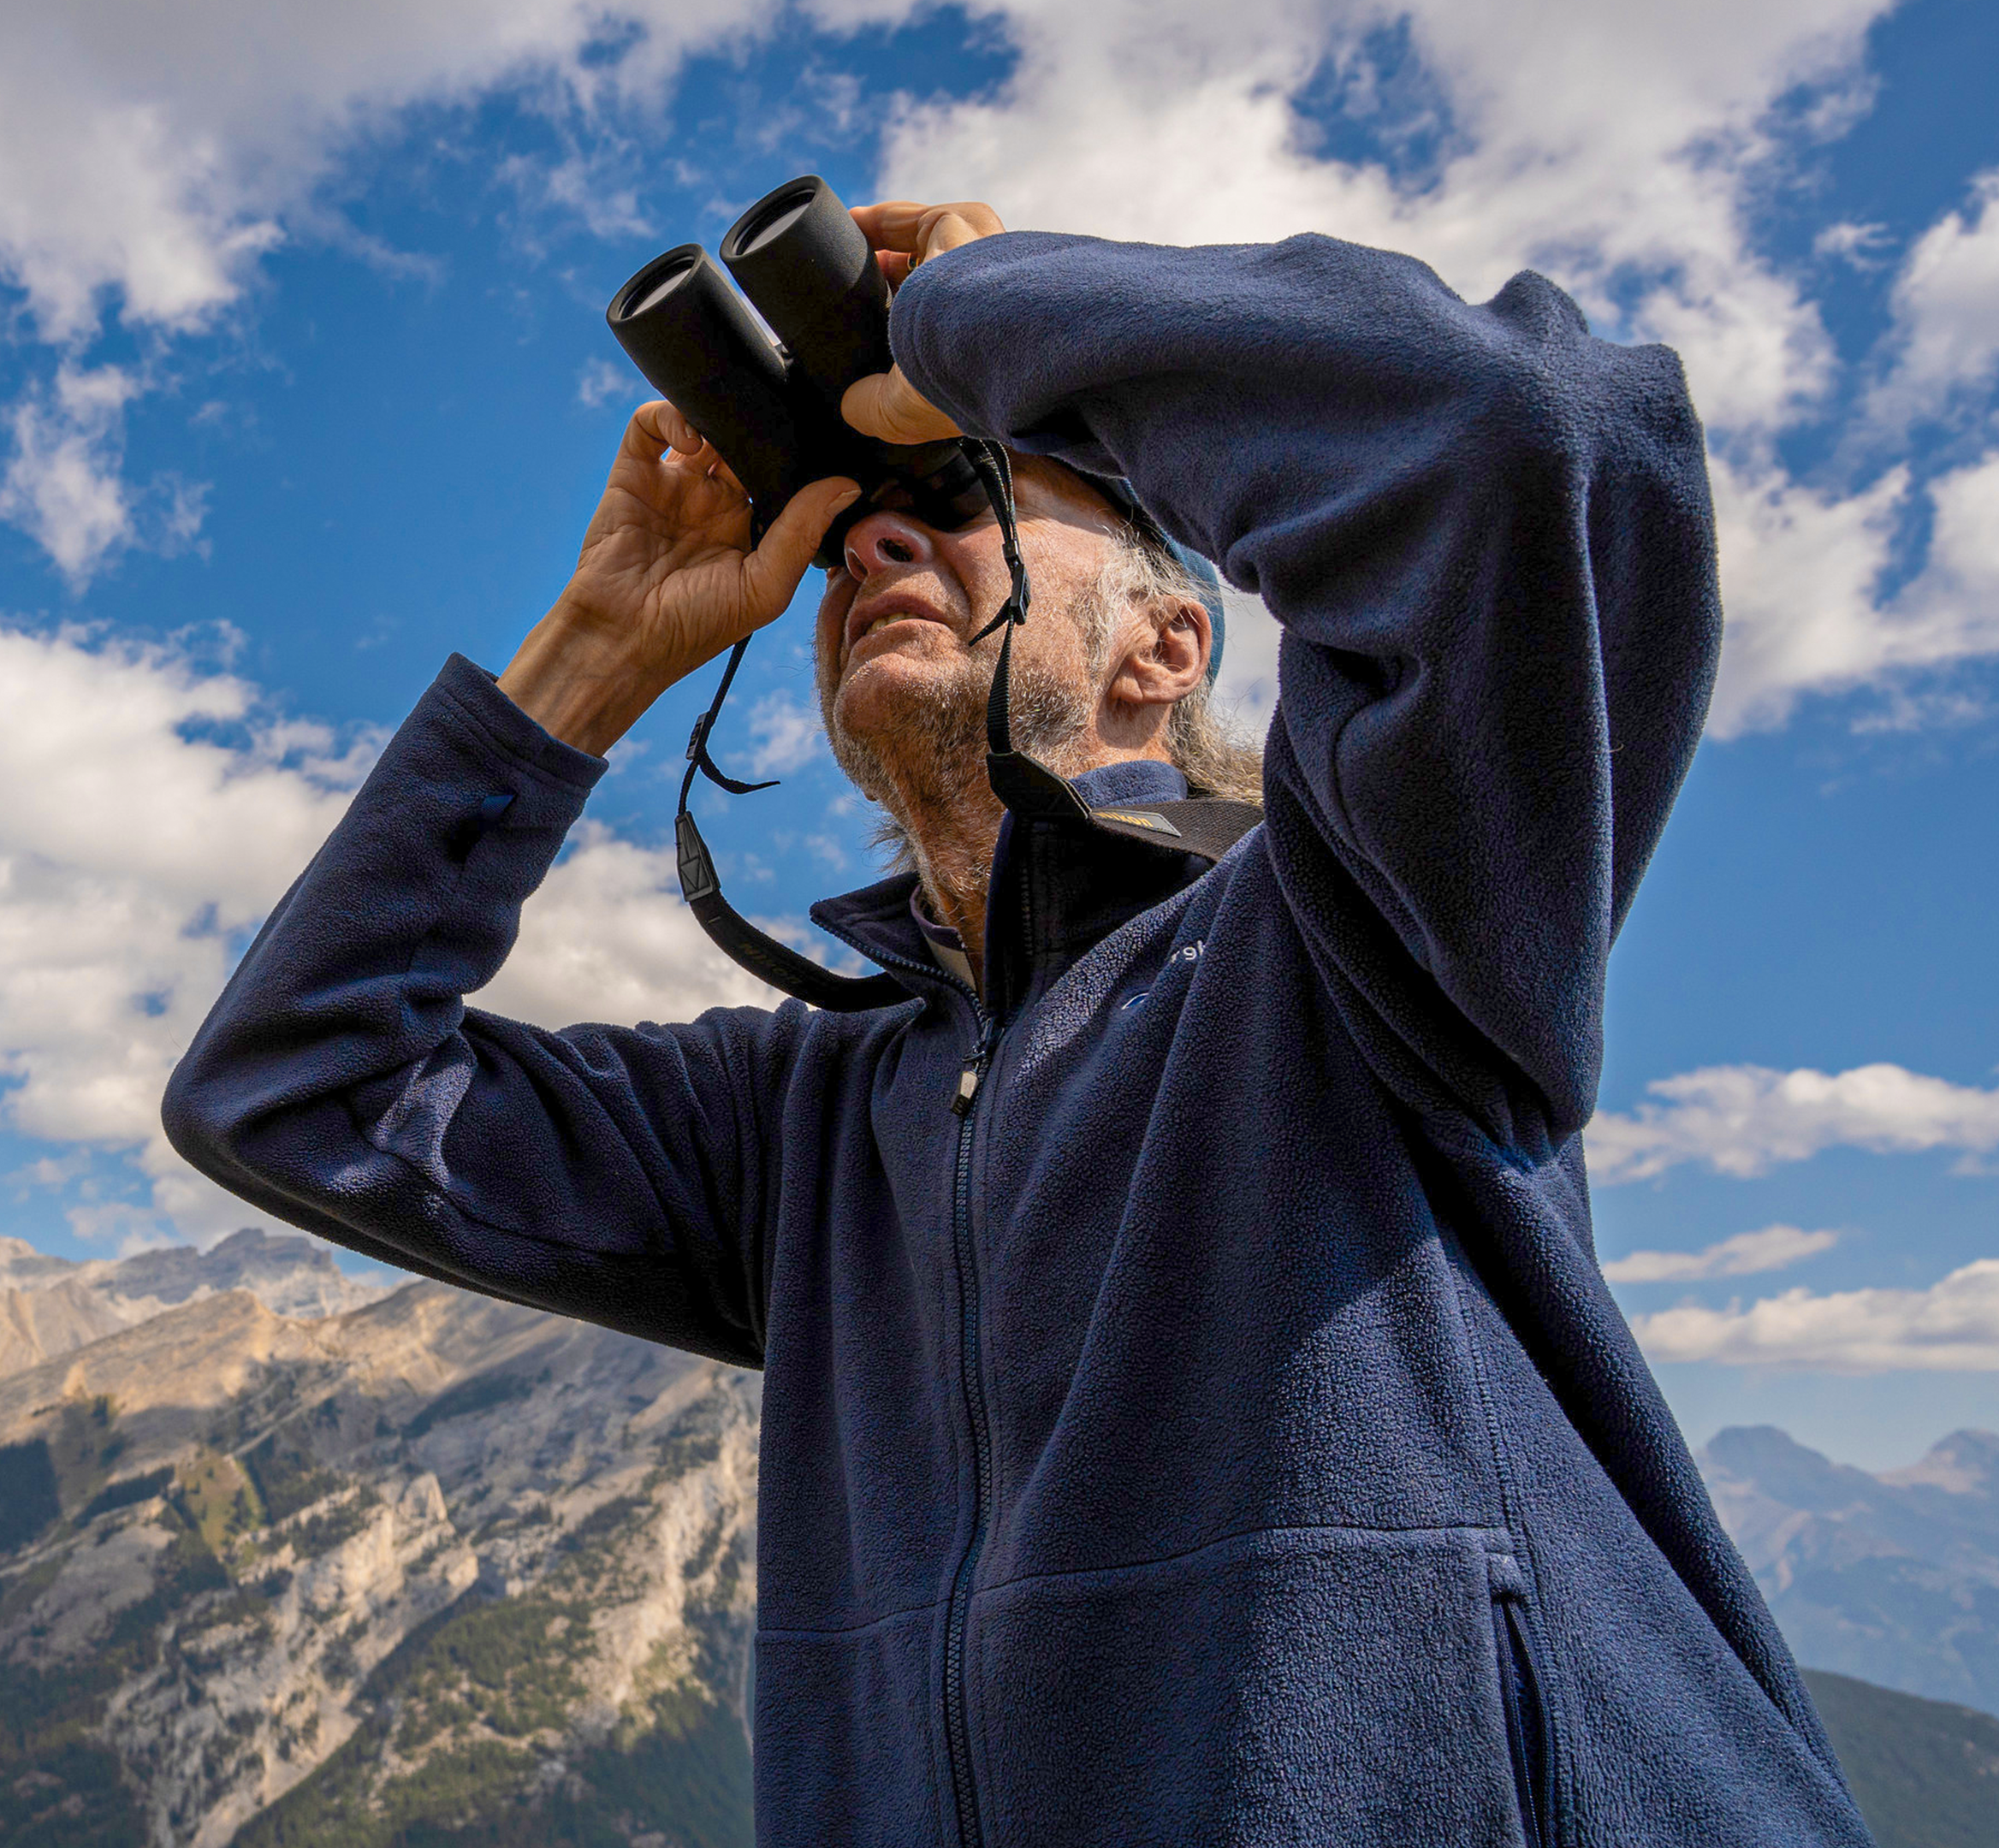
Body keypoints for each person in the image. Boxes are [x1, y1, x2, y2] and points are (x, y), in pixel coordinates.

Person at [161, 198, 1871, 1846]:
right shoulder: (803, 1132)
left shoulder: (1369, 919)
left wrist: (984, 322)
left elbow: (1526, 433)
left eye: (961, 489)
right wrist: (594, 656)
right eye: (843, 535)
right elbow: (298, 1088)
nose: (871, 543)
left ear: (1163, 647)